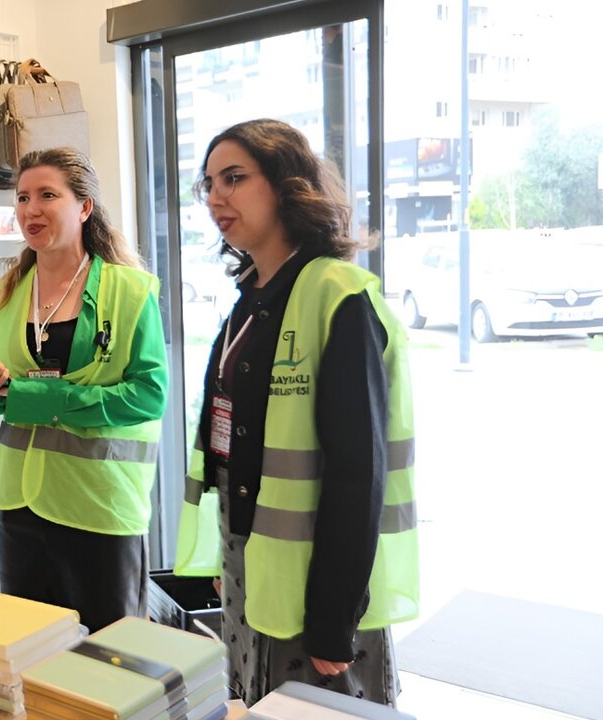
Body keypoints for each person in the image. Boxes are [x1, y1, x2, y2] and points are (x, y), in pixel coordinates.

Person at [173, 119, 418, 705]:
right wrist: (231, 557)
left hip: (318, 586)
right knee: (262, 705)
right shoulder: (251, 297)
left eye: (234, 178)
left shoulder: (338, 295)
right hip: (255, 567)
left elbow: (357, 472)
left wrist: (334, 617)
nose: (216, 197)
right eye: (209, 183)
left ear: (287, 184)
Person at [0, 147, 169, 632]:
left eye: (47, 196)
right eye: (22, 198)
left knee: (111, 655)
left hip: (100, 507)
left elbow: (149, 394)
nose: (31, 210)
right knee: (30, 649)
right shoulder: (4, 294)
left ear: (84, 207)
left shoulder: (131, 290)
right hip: (18, 504)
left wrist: (45, 401)